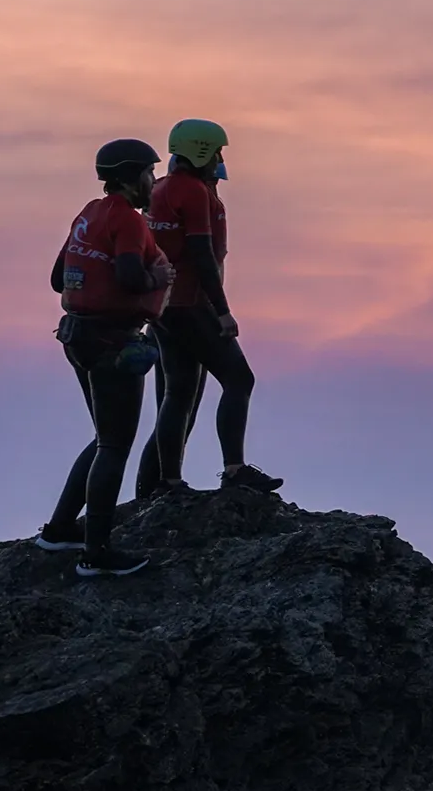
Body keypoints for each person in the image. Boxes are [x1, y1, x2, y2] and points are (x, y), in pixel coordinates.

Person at [35, 139, 175, 577]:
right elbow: (133, 278)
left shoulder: (88, 214)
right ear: (134, 177)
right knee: (115, 445)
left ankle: (59, 530)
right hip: (112, 342)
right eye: (150, 174)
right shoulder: (129, 221)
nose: (153, 182)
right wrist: (160, 275)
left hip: (76, 336)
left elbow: (59, 278)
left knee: (103, 438)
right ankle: (96, 554)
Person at [135, 118, 282, 497]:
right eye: (216, 151)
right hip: (191, 304)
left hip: (162, 309)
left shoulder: (160, 190)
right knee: (238, 379)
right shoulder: (194, 193)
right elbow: (201, 254)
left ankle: (167, 482)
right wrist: (222, 310)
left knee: (178, 392)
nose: (219, 159)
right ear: (201, 150)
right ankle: (234, 468)